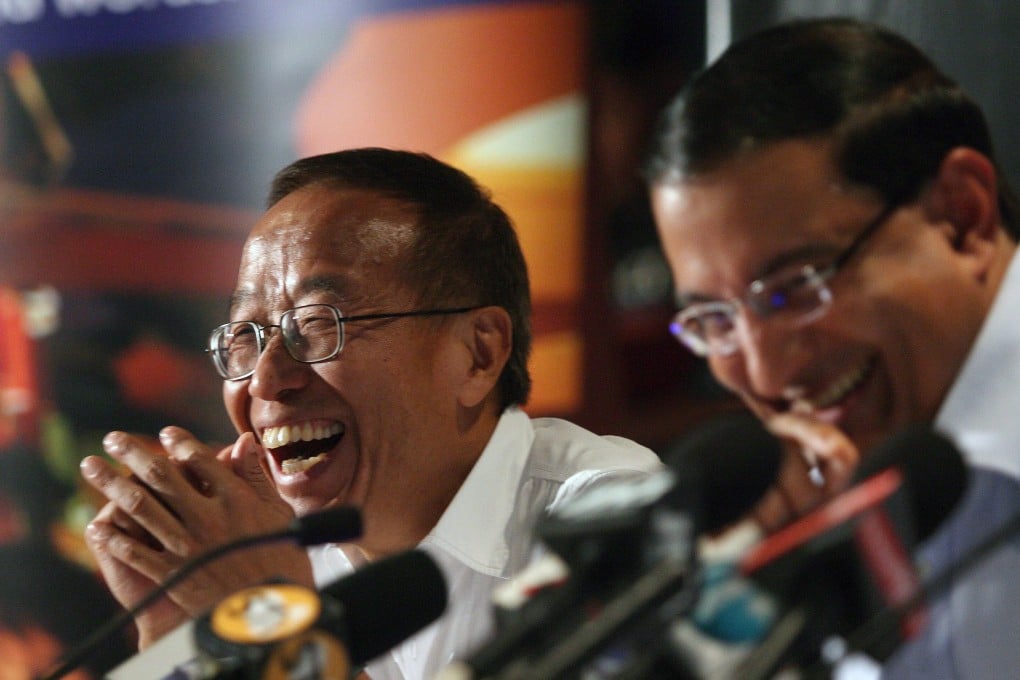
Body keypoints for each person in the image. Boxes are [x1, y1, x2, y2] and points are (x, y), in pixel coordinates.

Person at [80, 148, 663, 679]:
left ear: (477, 353)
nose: (265, 379)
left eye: (316, 324)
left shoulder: (614, 521)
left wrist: (280, 626)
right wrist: (173, 633)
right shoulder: (265, 550)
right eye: (246, 336)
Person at [645, 16, 1020, 679]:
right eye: (713, 318)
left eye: (796, 286)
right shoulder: (818, 504)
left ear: (963, 218)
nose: (765, 370)